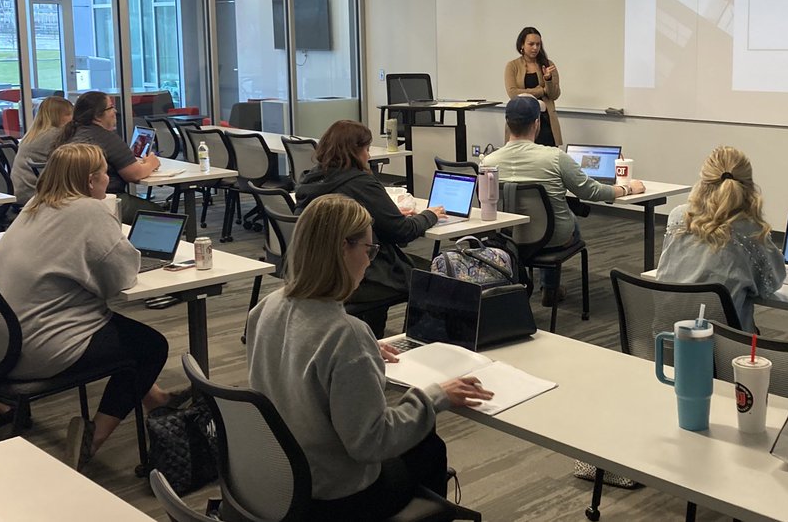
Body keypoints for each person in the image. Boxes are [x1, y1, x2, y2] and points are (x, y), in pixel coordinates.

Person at [247, 194, 493, 521]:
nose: (369, 261)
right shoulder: (345, 334)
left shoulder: (266, 307)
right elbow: (371, 443)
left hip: (280, 478)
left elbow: (297, 353)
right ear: (343, 250)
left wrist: (362, 351)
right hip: (334, 496)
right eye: (369, 250)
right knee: (429, 447)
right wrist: (435, 396)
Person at [0, 143, 175, 470]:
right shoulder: (89, 210)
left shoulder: (36, 205)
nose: (108, 178)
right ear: (91, 181)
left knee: (121, 333)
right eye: (105, 173)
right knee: (150, 346)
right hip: (40, 347)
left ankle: (156, 399)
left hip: (0, 344)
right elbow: (121, 278)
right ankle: (92, 441)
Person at [482, 96, 644, 305]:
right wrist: (627, 188)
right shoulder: (555, 157)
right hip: (552, 238)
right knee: (567, 218)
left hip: (508, 237)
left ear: (507, 123)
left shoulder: (489, 162)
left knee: (548, 217)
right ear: (537, 123)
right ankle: (551, 288)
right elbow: (592, 191)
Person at [294, 120, 444, 337]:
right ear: (354, 151)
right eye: (366, 149)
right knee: (431, 276)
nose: (369, 155)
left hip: (317, 270)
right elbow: (402, 231)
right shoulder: (361, 183)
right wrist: (429, 215)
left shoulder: (311, 180)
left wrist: (386, 214)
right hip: (362, 275)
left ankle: (373, 335)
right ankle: (413, 343)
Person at [656, 146, 786, 332]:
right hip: (724, 343)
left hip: (667, 337)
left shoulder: (678, 217)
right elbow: (771, 284)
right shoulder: (751, 231)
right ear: (749, 186)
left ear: (703, 181)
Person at [56, 91, 162, 223]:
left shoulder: (70, 133)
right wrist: (151, 163)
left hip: (70, 200)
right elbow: (134, 174)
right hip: (104, 198)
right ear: (97, 116)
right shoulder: (104, 137)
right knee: (159, 215)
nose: (115, 111)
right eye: (111, 107)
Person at [504, 26, 563, 147]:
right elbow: (513, 93)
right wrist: (541, 90)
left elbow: (554, 95)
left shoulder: (548, 65)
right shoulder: (512, 66)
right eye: (531, 44)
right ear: (522, 45)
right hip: (520, 123)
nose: (535, 48)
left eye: (538, 44)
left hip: (545, 121)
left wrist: (548, 79)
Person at [10, 95, 73, 202]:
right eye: (68, 114)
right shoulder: (55, 135)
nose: (72, 118)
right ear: (57, 116)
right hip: (34, 195)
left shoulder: (33, 134)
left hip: (21, 191)